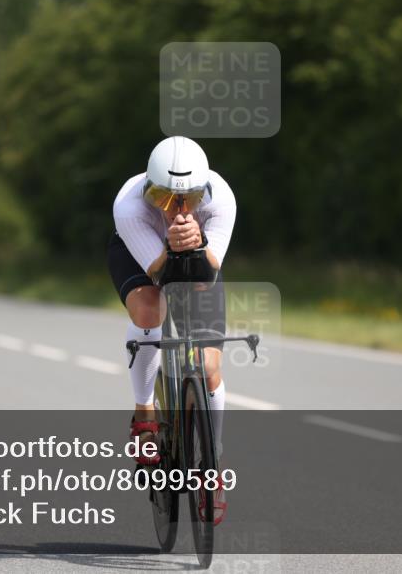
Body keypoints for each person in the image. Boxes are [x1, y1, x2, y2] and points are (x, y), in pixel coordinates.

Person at [108, 136, 235, 524]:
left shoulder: (221, 200)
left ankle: (210, 465)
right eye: (164, 199)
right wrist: (174, 245)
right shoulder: (129, 207)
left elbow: (203, 279)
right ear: (149, 191)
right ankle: (144, 410)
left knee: (210, 367)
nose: (178, 209)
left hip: (199, 265)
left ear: (205, 193)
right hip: (142, 254)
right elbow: (161, 273)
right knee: (151, 310)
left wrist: (195, 244)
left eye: (190, 200)